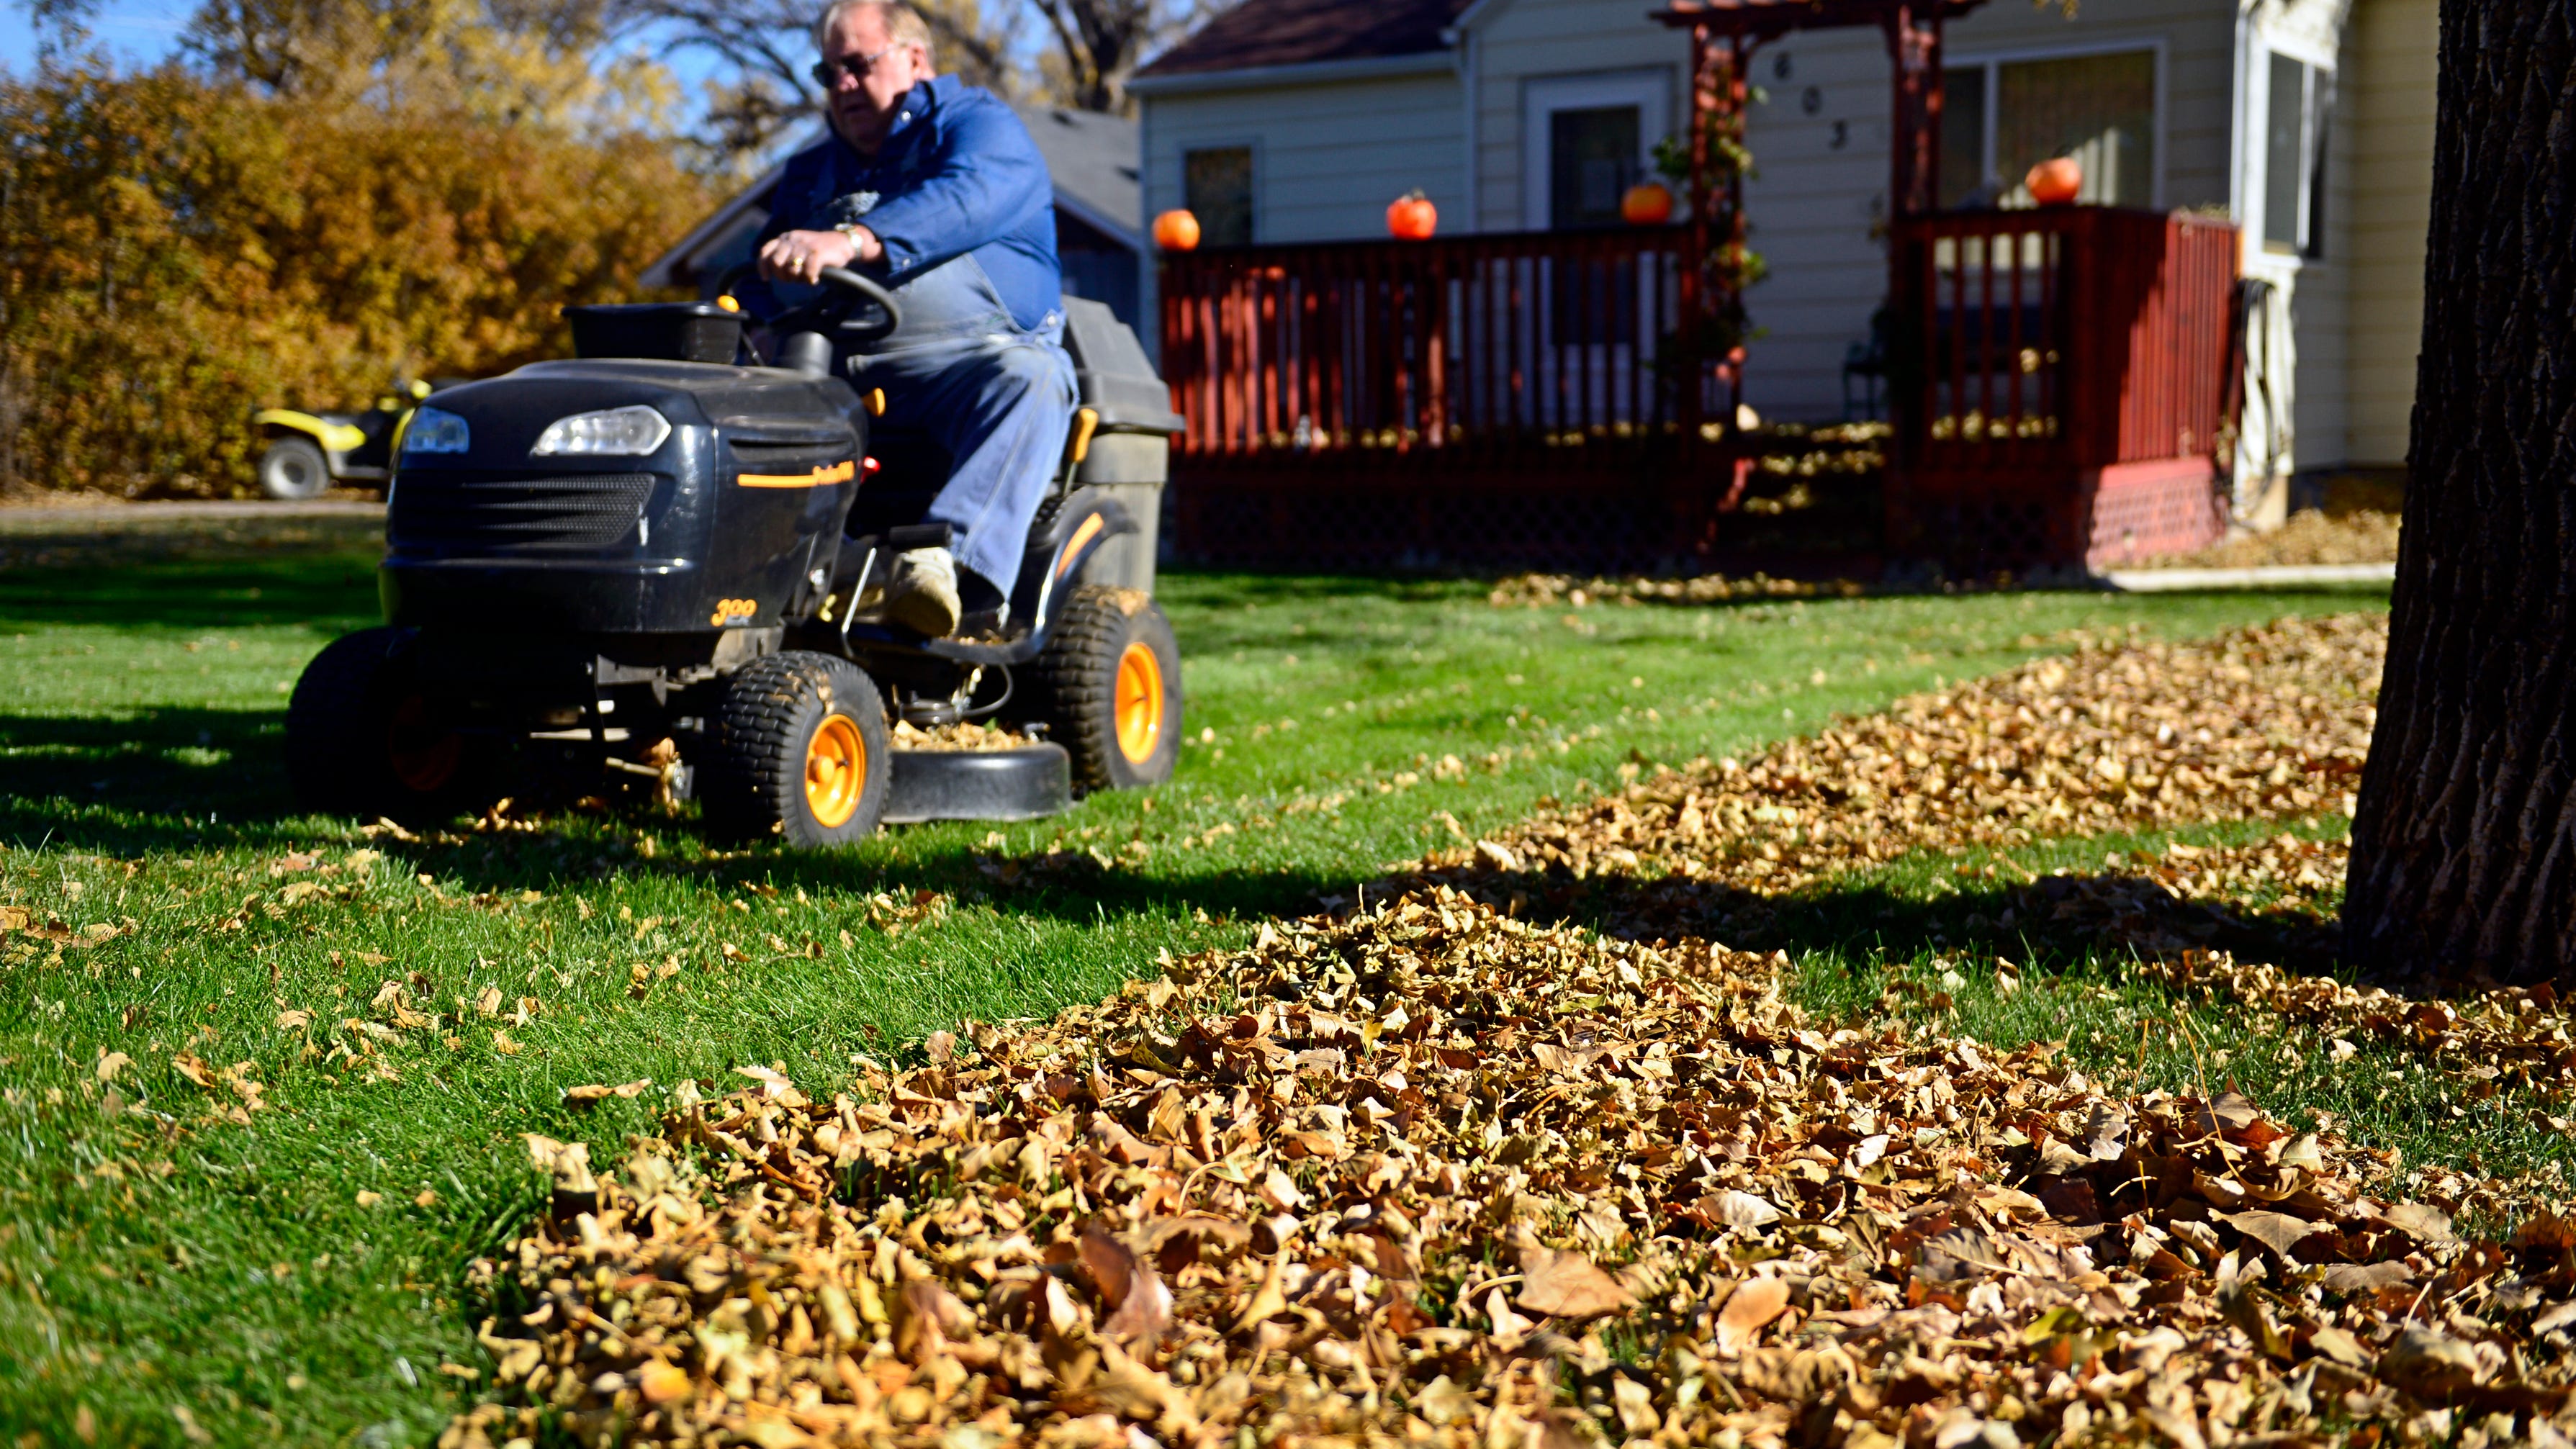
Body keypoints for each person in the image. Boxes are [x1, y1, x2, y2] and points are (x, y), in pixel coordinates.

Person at [749, 0, 1073, 638]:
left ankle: (946, 572)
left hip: (966, 368)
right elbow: (761, 272)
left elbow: (967, 197)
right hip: (833, 377)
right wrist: (750, 323)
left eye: (857, 65)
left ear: (915, 60)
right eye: (828, 72)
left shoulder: (980, 128)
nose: (842, 84)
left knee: (1034, 380)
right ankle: (784, 571)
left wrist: (853, 237)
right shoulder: (811, 173)